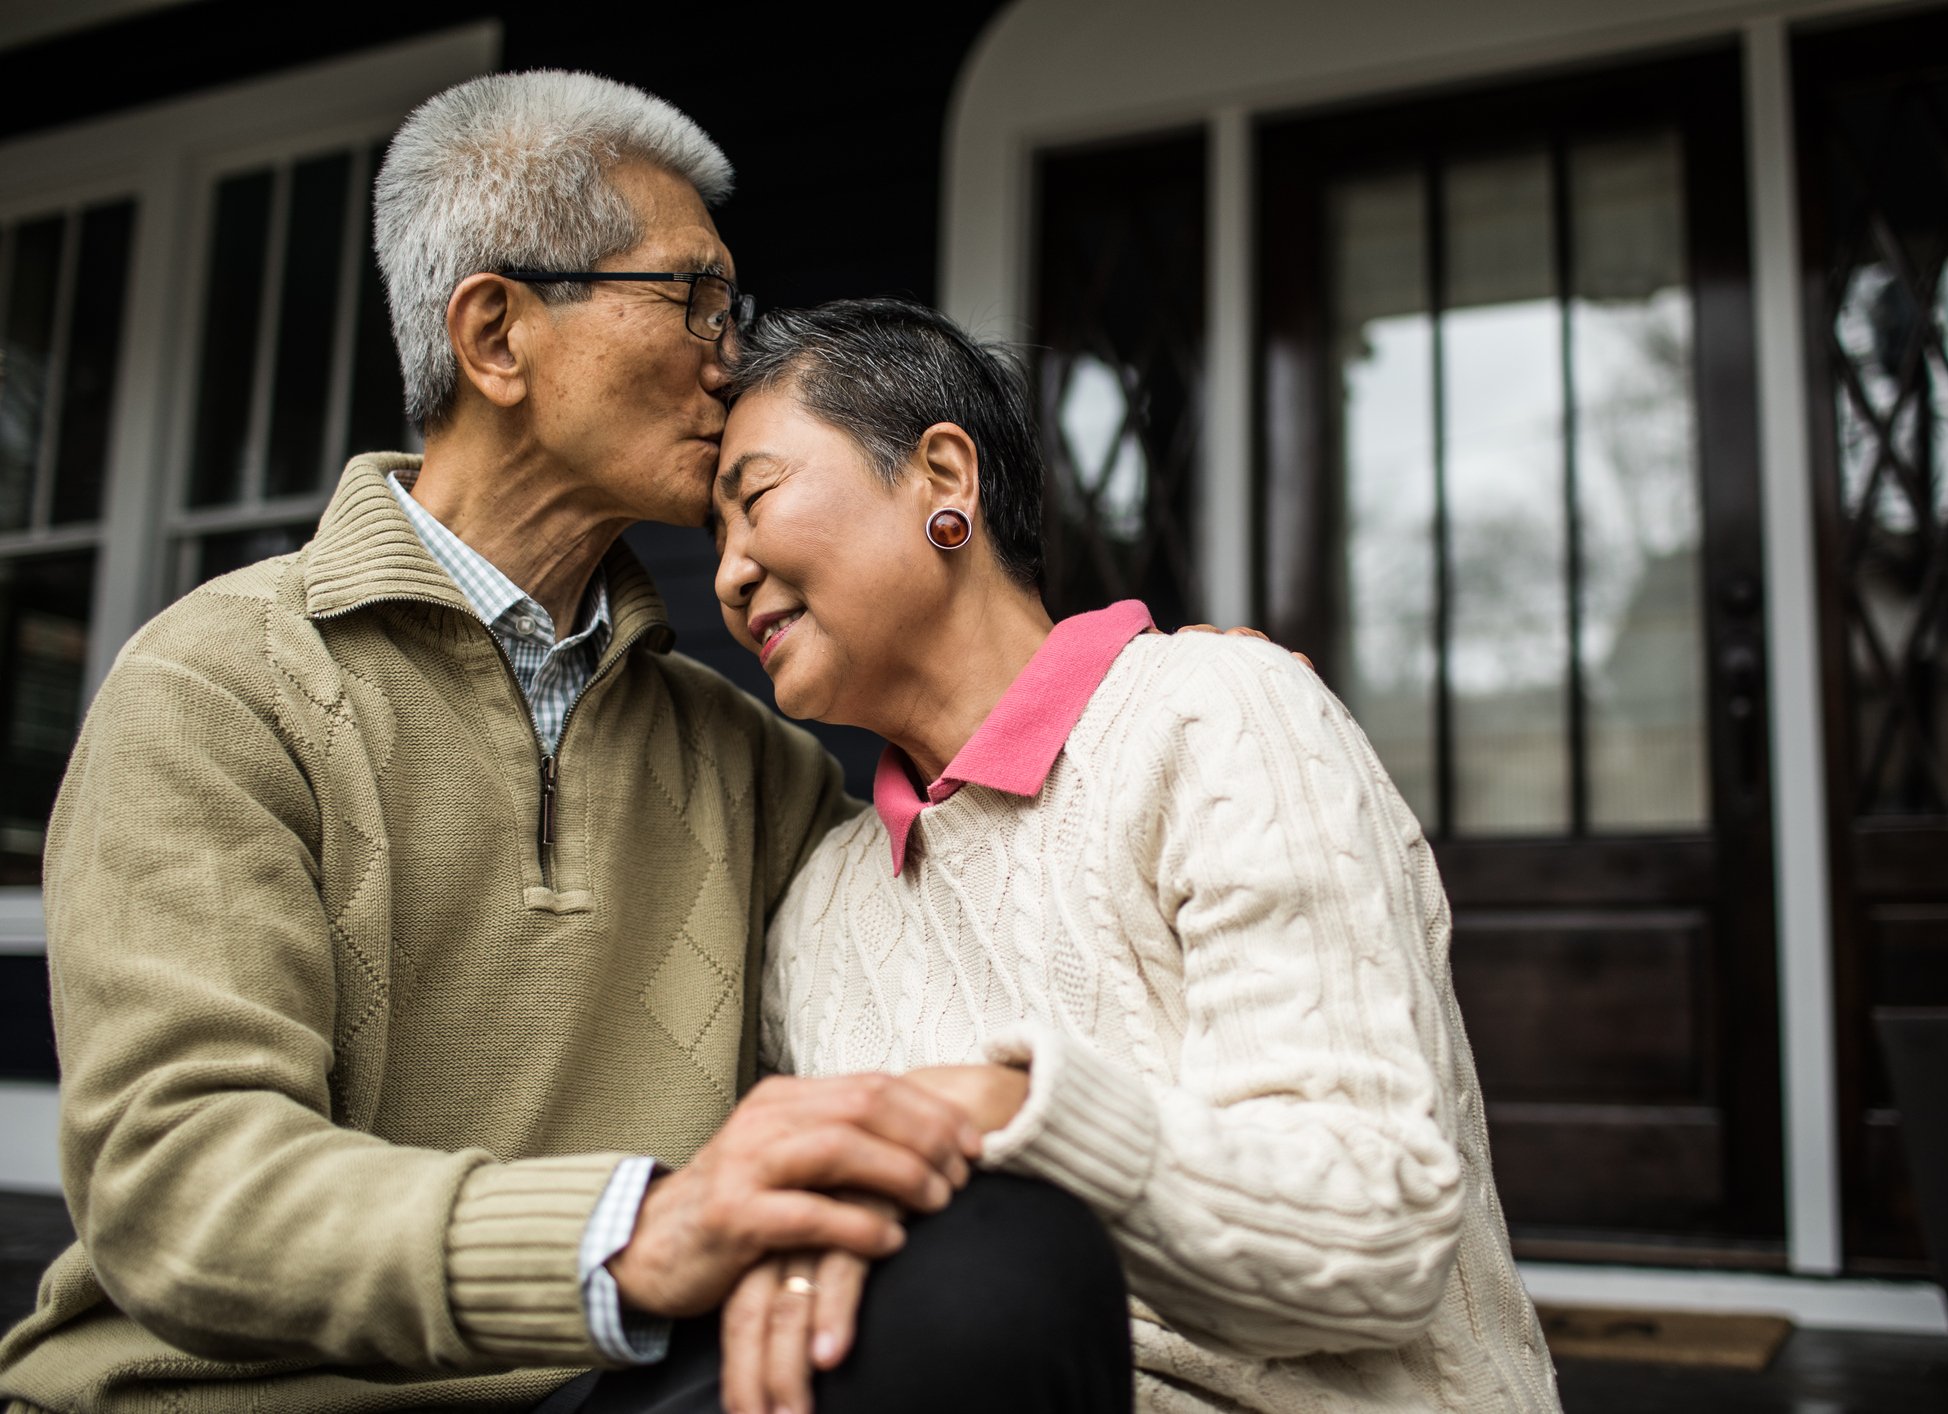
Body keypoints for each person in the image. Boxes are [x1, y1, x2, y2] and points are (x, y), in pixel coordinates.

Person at [0, 73, 1131, 1413]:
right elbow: (178, 1181)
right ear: (496, 336)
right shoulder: (218, 684)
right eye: (697, 302)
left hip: (603, 1389)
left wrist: (1140, 704)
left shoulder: (746, 758)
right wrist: (629, 1230)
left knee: (1003, 1266)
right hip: (230, 1400)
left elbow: (954, 932)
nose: (738, 357)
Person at [703, 298, 1565, 1414]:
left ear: (944, 479)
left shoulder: (1216, 723)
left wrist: (1004, 1110)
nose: (727, 573)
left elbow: (1373, 1236)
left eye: (755, 498)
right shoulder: (819, 912)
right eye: (710, 539)